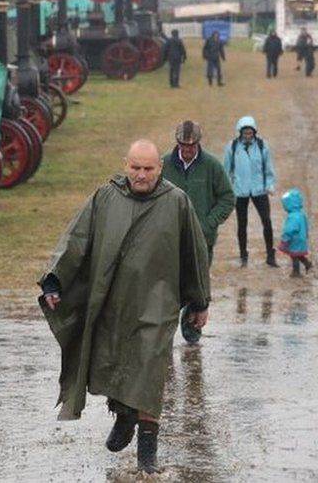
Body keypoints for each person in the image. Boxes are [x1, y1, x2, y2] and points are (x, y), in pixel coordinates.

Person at [38, 140, 210, 475]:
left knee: (150, 370)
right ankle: (124, 414)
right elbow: (77, 239)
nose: (141, 175)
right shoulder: (105, 197)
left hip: (157, 306)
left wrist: (199, 300)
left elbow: (194, 252)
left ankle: (148, 451)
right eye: (135, 168)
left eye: (148, 169)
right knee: (111, 363)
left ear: (159, 168)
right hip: (113, 300)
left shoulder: (176, 202)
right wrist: (54, 280)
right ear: (125, 165)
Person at [161, 120, 235, 266]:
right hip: (169, 240)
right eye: (183, 145)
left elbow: (228, 198)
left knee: (199, 285)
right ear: (177, 143)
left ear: (198, 142)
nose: (187, 149)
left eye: (192, 145)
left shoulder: (212, 165)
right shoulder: (163, 165)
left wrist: (208, 224)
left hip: (202, 241)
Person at [222, 116, 278, 268]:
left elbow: (268, 167)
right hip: (240, 191)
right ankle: (243, 256)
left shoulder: (262, 146)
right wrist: (224, 190)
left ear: (254, 132)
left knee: (267, 221)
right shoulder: (232, 147)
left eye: (250, 133)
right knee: (242, 224)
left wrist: (270, 184)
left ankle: (270, 255)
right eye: (245, 133)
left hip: (260, 190)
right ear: (240, 132)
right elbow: (225, 170)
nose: (247, 136)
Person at [278, 188, 312, 278]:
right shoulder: (301, 214)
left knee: (294, 256)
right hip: (302, 238)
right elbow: (306, 226)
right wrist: (306, 235)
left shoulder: (292, 217)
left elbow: (289, 230)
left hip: (295, 240)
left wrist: (285, 239)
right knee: (299, 254)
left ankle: (296, 272)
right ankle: (307, 263)